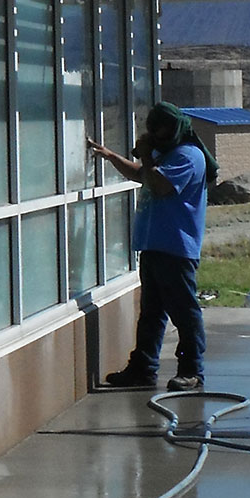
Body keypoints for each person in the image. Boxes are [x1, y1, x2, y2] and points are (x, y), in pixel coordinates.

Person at [87, 102, 217, 391]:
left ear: (172, 129)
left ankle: (192, 371)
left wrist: (146, 154)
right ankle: (143, 368)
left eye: (156, 128)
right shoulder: (166, 154)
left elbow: (160, 185)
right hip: (154, 244)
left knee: (184, 312)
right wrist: (111, 156)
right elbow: (141, 174)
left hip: (176, 248)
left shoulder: (188, 155)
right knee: (151, 312)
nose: (151, 134)